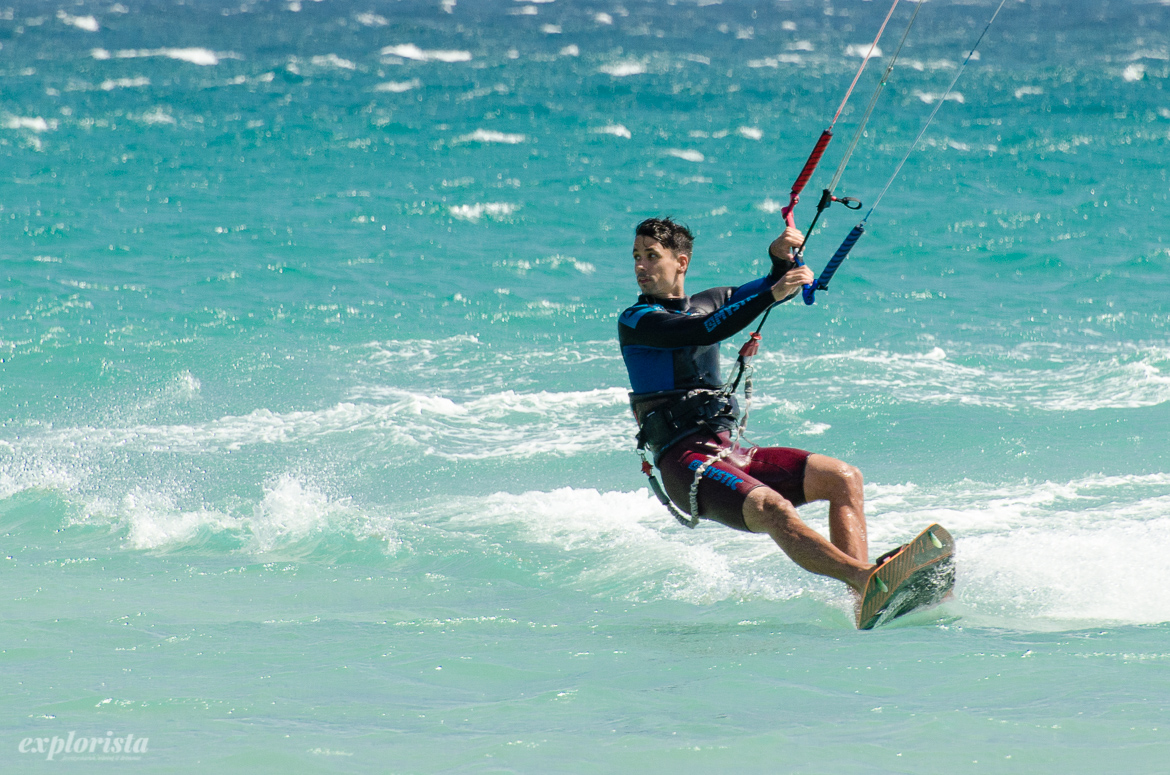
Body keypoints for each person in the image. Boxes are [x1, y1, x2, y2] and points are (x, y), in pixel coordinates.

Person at [619, 216, 878, 593]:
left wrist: (778, 259)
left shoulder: (711, 301)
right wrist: (769, 294)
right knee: (772, 508)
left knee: (843, 478)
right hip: (685, 462)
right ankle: (867, 579)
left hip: (731, 451)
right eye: (636, 257)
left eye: (651, 256)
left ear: (681, 262)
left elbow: (772, 288)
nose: (641, 266)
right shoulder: (637, 319)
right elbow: (702, 330)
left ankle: (865, 603)